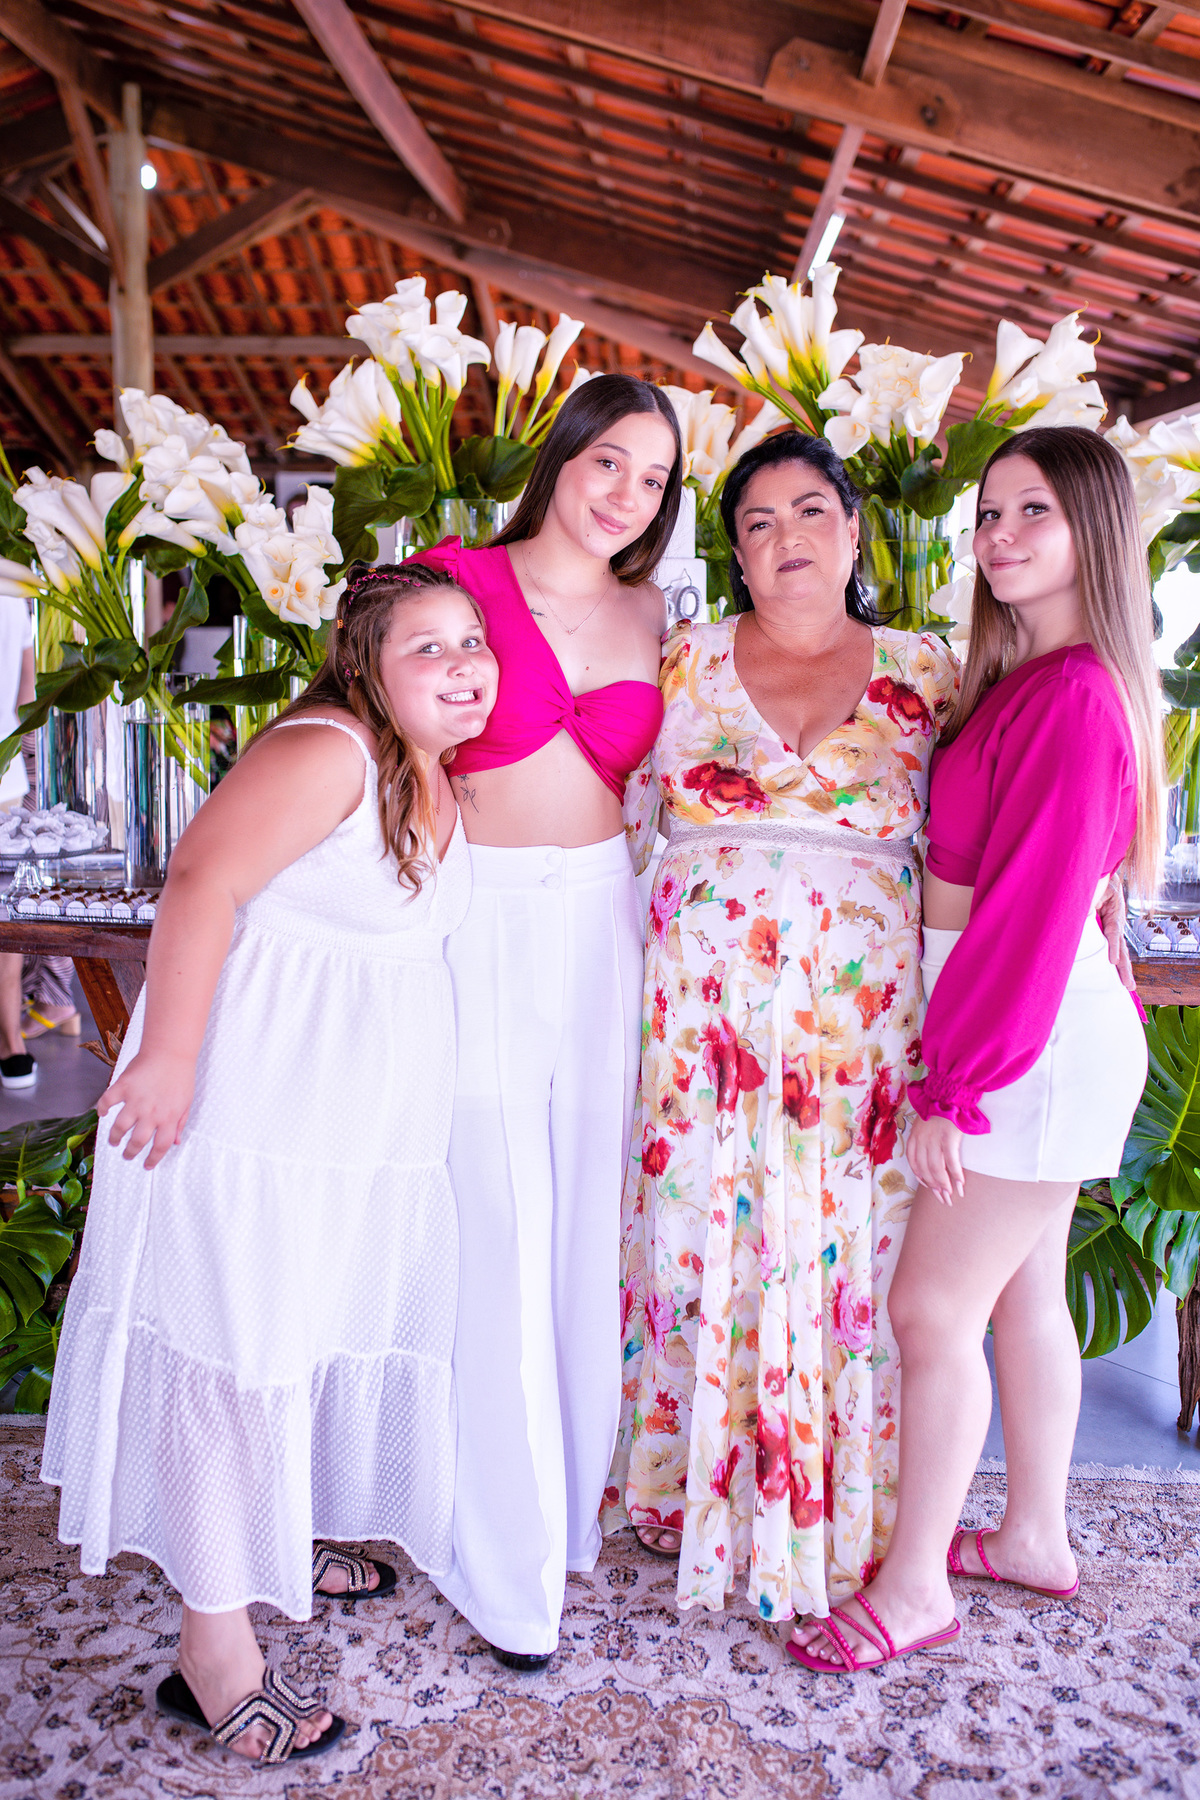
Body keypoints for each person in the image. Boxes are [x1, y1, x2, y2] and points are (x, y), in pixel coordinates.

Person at [41, 564, 498, 1761]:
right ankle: (214, 1652)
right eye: (427, 648)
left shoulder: (427, 765)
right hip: (253, 1114)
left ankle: (269, 1535)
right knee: (236, 1352)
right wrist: (168, 1056)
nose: (463, 666)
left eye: (472, 642)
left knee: (304, 1330)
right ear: (363, 665)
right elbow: (203, 880)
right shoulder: (329, 750)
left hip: (345, 1130)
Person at [789, 427, 1161, 1674]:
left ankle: (913, 1590)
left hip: (1022, 1039)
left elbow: (1029, 917)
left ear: (1093, 532)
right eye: (990, 512)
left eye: (1033, 512)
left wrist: (954, 1086)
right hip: (1038, 1024)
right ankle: (1035, 1536)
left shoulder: (1072, 695)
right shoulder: (1039, 678)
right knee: (1022, 1291)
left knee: (931, 1306)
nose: (999, 535)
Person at [604, 431, 959, 1628]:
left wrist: (1100, 896)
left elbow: (1008, 811)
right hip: (700, 1026)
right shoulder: (679, 660)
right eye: (756, 523)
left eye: (810, 511)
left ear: (855, 531)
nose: (786, 537)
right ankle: (680, 1495)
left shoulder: (930, 671)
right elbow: (603, 811)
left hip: (863, 1035)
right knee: (694, 1233)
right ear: (737, 556)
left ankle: (840, 1513)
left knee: (850, 1254)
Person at [411, 372, 681, 1667]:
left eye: (654, 477)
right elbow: (381, 740)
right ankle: (497, 1559)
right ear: (563, 454)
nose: (626, 492)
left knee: (584, 1235)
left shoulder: (655, 613)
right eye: (609, 460)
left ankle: (565, 1520)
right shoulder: (453, 579)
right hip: (477, 920)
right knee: (496, 1226)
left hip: (604, 927)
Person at [0, 593, 36, 1090]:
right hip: (6, 773)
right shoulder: (12, 591)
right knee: (4, 912)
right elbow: (27, 696)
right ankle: (11, 1041)